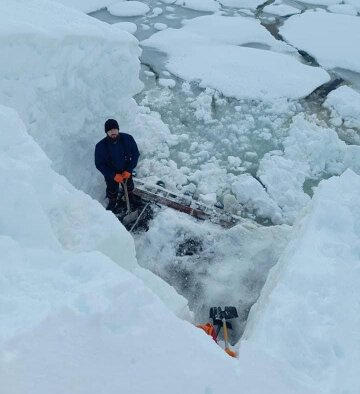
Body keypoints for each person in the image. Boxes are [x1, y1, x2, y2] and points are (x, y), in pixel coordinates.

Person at [95, 119, 140, 212]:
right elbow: (99, 164)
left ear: (118, 129)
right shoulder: (100, 146)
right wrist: (113, 175)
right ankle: (112, 202)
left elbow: (136, 154)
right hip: (111, 173)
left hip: (126, 170)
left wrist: (129, 170)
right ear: (106, 132)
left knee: (129, 185)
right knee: (112, 189)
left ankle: (130, 196)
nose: (113, 132)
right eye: (110, 130)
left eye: (115, 129)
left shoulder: (128, 139)